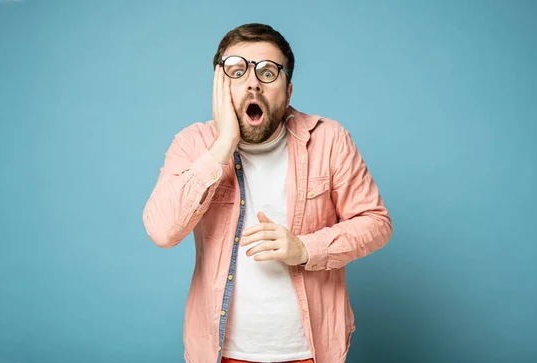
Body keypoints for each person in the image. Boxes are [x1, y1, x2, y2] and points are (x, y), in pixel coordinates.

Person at [142, 23, 393, 363]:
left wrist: (305, 248)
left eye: (268, 72)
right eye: (237, 70)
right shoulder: (193, 144)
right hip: (220, 353)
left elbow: (375, 223)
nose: (252, 82)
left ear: (288, 90)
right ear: (220, 86)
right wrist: (223, 145)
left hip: (311, 351)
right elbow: (162, 230)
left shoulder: (329, 139)